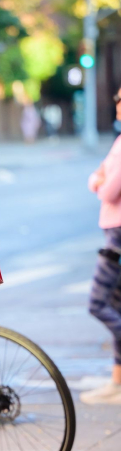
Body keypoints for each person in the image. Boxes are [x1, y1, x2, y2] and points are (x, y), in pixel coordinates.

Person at [80, 89, 121, 405]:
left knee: (98, 303)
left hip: (116, 235)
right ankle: (117, 381)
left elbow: (107, 189)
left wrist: (98, 180)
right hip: (115, 233)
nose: (118, 105)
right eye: (117, 99)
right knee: (116, 305)